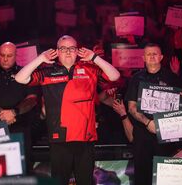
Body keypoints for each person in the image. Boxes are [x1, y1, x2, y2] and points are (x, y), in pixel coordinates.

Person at [15, 35, 120, 185]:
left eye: (72, 48)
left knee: (85, 181)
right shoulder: (47, 71)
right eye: (63, 48)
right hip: (60, 138)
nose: (68, 52)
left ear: (77, 51)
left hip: (85, 137)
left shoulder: (89, 68)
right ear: (57, 52)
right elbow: (20, 78)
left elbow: (114, 76)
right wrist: (40, 59)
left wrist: (94, 57)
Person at [125, 43, 182, 185]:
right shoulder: (136, 78)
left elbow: (180, 107)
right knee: (142, 174)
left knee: (164, 175)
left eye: (155, 53)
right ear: (143, 58)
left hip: (165, 134)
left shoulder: (172, 78)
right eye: (148, 54)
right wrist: (148, 123)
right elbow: (131, 107)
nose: (151, 56)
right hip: (142, 134)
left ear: (161, 57)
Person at [0, 41, 39, 172]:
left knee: (22, 168)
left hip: (21, 128)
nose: (5, 59)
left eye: (9, 55)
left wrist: (14, 112)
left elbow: (32, 99)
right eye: (2, 55)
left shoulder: (25, 72)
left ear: (16, 55)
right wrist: (4, 114)